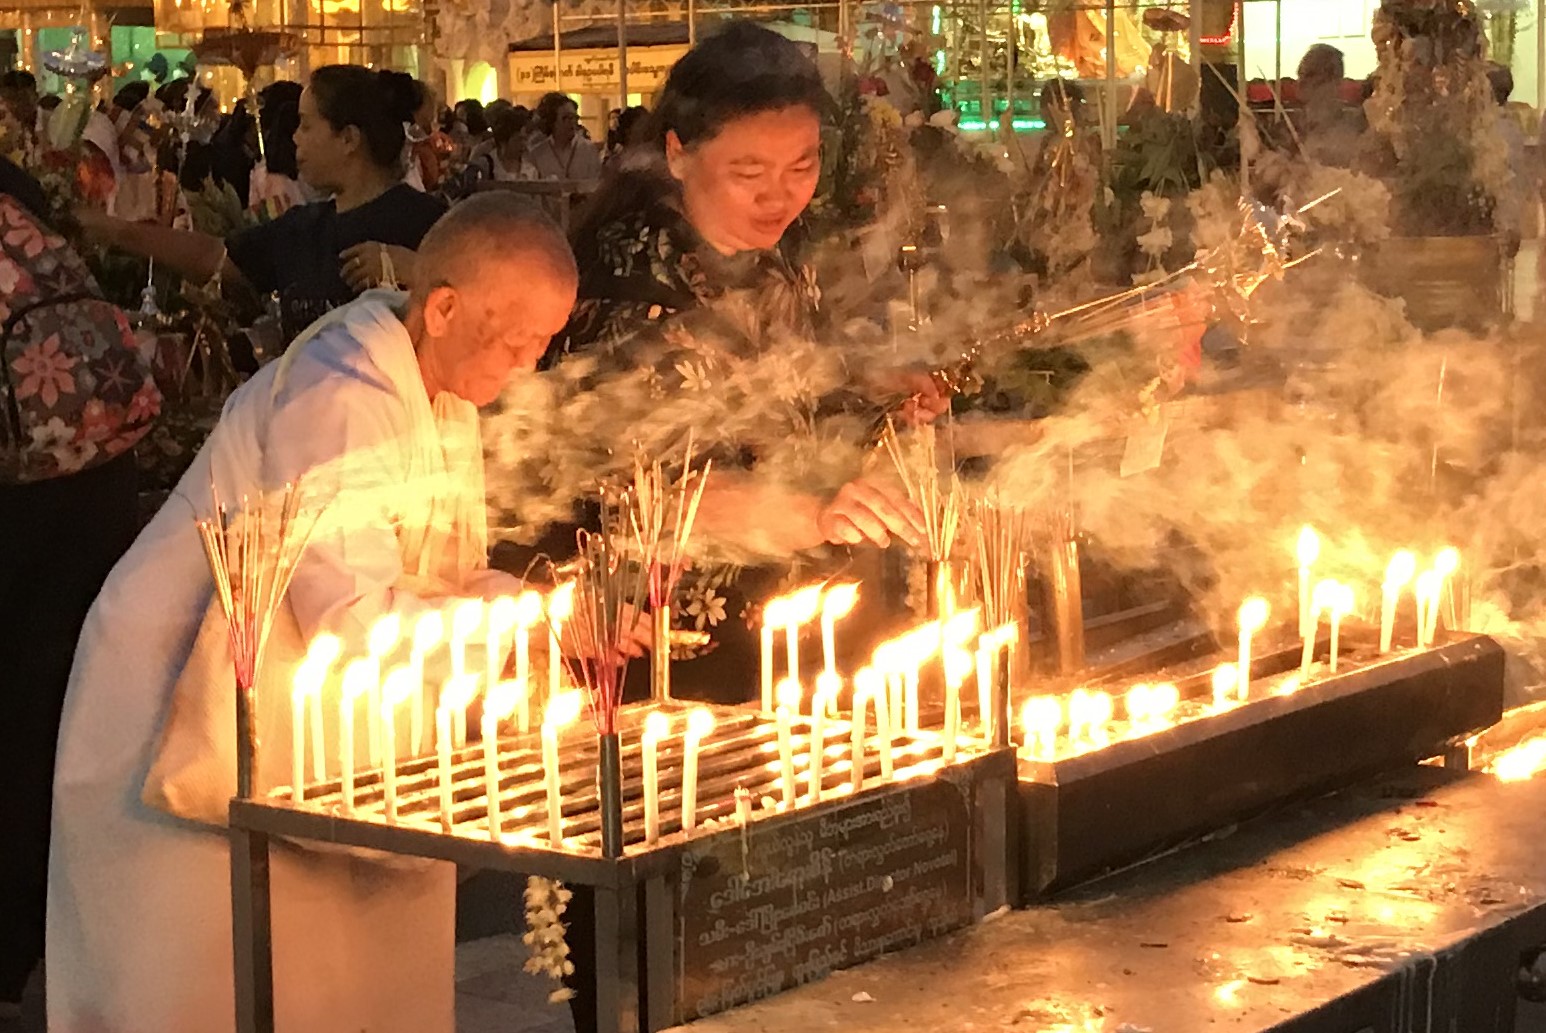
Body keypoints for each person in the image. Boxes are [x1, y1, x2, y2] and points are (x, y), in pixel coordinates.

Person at [47, 194, 578, 1033]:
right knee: (215, 977)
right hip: (191, 707)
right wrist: (522, 617)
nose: (528, 365)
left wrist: (520, 612)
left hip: (323, 717)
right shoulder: (342, 389)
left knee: (357, 977)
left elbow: (435, 570)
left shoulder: (436, 384)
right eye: (518, 341)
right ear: (443, 306)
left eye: (543, 345)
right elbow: (349, 615)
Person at [0, 154, 160, 1023]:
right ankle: (50, 939)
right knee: (51, 700)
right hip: (95, 462)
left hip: (25, 478)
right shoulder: (17, 196)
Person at [78, 65, 446, 342]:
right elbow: (215, 257)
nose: (293, 139)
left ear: (348, 138)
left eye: (305, 125)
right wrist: (115, 230)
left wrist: (419, 271)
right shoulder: (304, 227)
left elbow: (484, 305)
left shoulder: (430, 224)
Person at [527, 91, 603, 182]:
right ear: (552, 121)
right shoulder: (538, 154)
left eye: (575, 117)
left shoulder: (589, 150)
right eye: (566, 118)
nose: (572, 122)